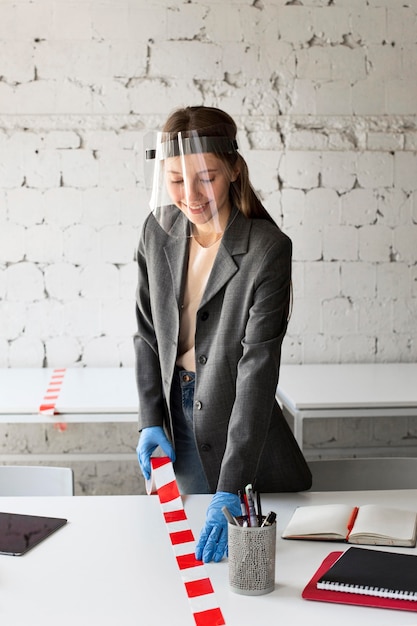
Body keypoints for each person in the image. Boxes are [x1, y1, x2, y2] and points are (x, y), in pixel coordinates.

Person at [134, 105, 312, 563]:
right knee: (182, 565)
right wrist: (151, 416)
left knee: (248, 572)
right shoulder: (157, 230)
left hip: (240, 428)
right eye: (175, 180)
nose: (190, 196)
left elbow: (257, 373)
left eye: (205, 178)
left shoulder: (267, 249)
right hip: (176, 420)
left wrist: (232, 485)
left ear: (234, 169)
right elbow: (147, 334)